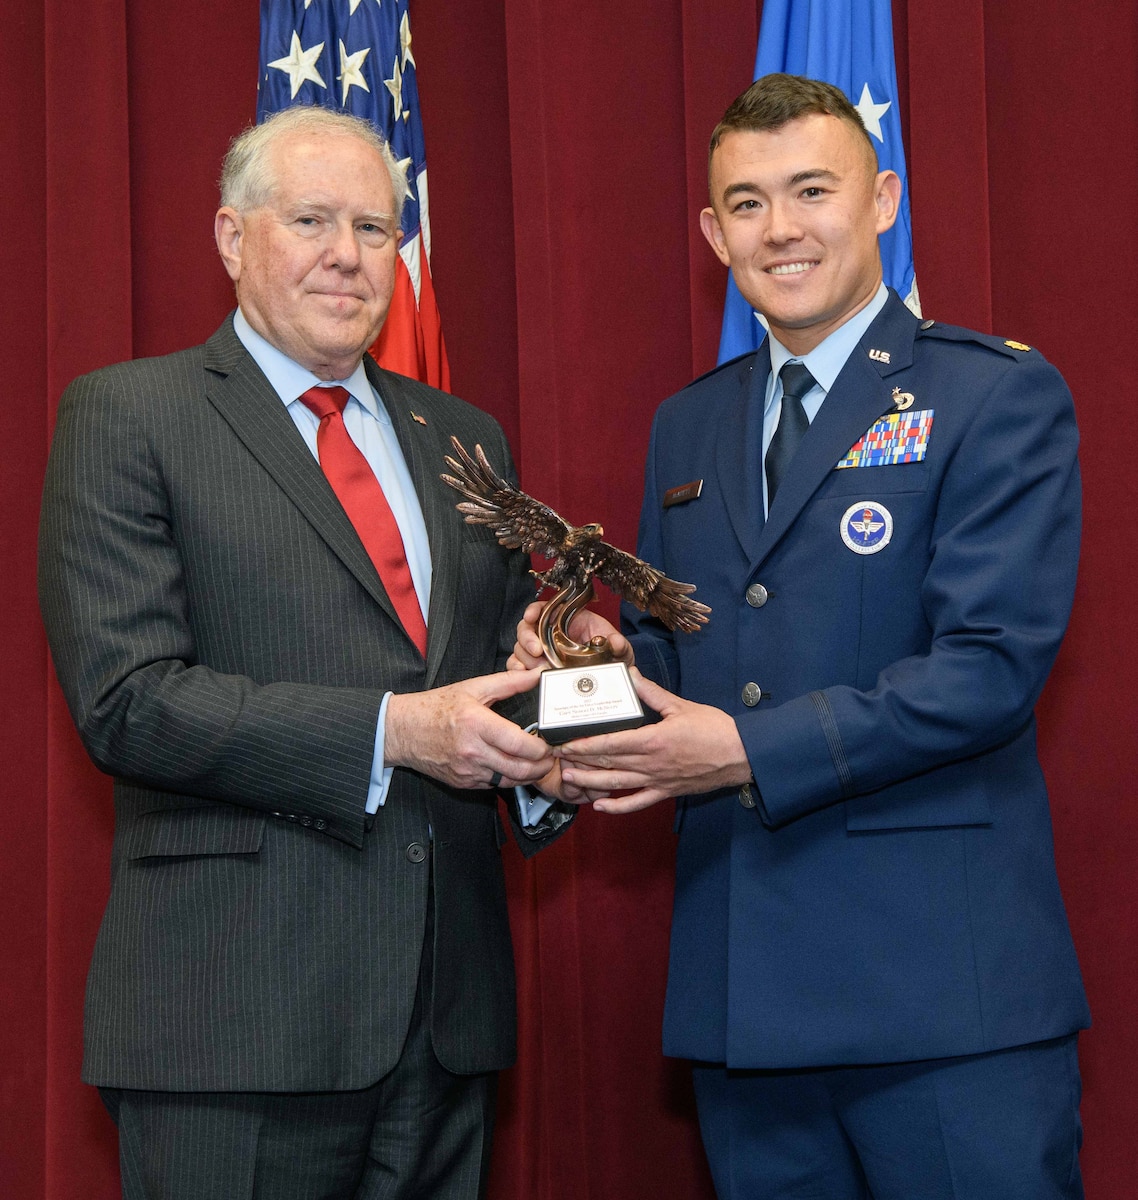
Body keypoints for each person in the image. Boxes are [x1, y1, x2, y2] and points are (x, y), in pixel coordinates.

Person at [512, 74, 1089, 1198]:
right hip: (748, 999)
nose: (780, 229)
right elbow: (683, 657)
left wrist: (739, 752)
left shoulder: (991, 398)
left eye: (810, 191)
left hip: (941, 1004)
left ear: (882, 200)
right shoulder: (689, 420)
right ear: (710, 230)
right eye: (745, 202)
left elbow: (987, 672)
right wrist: (600, 670)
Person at [39, 104, 574, 1200]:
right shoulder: (129, 417)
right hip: (233, 1025)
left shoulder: (466, 438)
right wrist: (396, 731)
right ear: (234, 239)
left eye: (374, 228)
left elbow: (490, 683)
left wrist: (562, 692)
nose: (346, 255)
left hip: (443, 1021)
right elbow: (128, 702)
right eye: (312, 220)